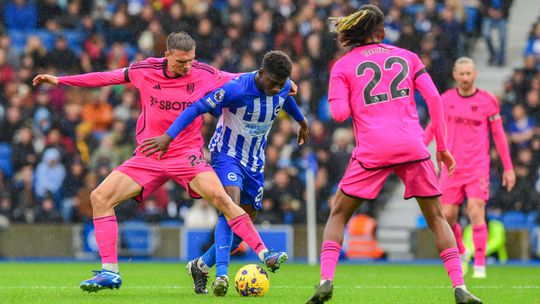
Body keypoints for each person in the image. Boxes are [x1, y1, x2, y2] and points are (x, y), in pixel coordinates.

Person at [32, 31, 289, 292]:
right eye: (180, 62)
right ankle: (110, 272)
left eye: (190, 60)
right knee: (100, 197)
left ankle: (264, 253)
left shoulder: (204, 73)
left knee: (224, 200)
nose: (186, 66)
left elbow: (246, 79)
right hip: (149, 156)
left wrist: (284, 83)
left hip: (186, 155)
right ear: (166, 55)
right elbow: (105, 77)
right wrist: (61, 81)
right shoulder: (145, 69)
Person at [306, 5, 482, 304]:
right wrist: (440, 147)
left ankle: (326, 279)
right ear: (382, 33)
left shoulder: (343, 66)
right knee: (437, 218)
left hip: (372, 149)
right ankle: (460, 287)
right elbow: (436, 100)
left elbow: (338, 114)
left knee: (338, 214)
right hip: (412, 146)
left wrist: (352, 100)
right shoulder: (408, 57)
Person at [140, 50, 309, 296]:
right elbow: (197, 107)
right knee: (231, 205)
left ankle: (200, 266)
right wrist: (169, 136)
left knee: (243, 226)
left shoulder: (281, 87)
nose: (275, 89)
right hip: (227, 154)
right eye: (271, 83)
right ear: (261, 73)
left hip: (255, 161)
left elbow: (285, 98)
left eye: (280, 85)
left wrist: (301, 121)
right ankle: (221, 275)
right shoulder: (236, 89)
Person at [424, 57, 515, 278]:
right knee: (447, 216)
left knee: (476, 210)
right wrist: (419, 149)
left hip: (477, 166)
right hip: (451, 167)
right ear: (455, 75)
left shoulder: (488, 101)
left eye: (469, 73)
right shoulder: (444, 100)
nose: (465, 78)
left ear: (475, 74)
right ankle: (463, 252)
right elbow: (432, 128)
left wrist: (508, 167)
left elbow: (498, 135)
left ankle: (481, 265)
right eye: (461, 74)